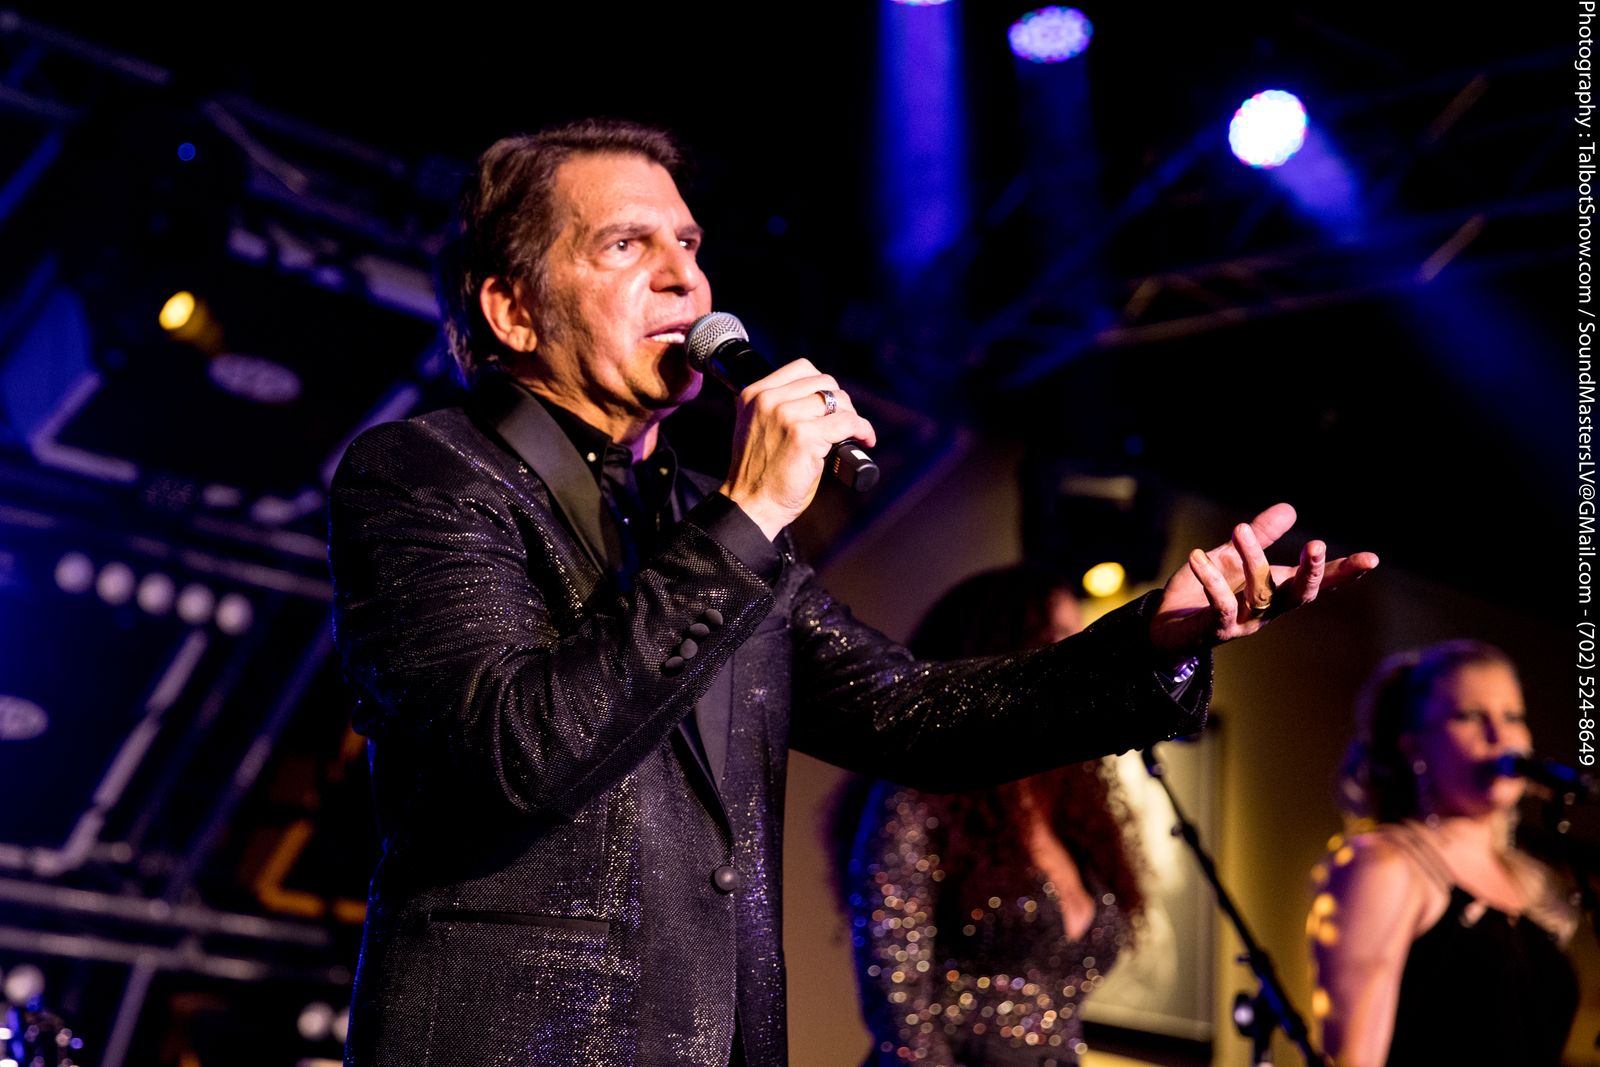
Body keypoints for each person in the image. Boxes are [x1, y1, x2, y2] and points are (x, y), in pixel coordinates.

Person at [327, 117, 1376, 1066]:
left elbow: (919, 714)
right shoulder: (425, 475)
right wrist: (744, 515)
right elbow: (515, 751)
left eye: (688, 243)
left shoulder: (699, 524)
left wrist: (1156, 638)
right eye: (626, 245)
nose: (687, 280)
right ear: (513, 310)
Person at [841, 566, 1150, 1067]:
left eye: (1081, 638)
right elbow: (899, 1012)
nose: (1080, 657)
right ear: (1003, 657)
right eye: (1059, 638)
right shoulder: (921, 796)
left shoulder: (1069, 813)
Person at [1308, 641, 1578, 1066]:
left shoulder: (1530, 884)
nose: (1500, 737)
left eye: (1512, 717)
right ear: (1413, 745)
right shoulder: (1387, 865)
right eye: (1470, 716)